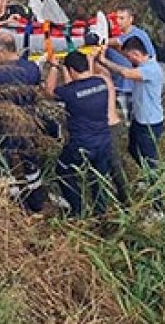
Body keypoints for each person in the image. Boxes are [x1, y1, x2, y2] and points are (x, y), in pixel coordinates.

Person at [45, 50, 118, 215]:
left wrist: (54, 67)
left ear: (71, 71)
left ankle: (77, 209)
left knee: (63, 171)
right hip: (104, 141)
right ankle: (100, 213)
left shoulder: (69, 92)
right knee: (97, 177)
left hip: (81, 144)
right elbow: (85, 84)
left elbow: (49, 91)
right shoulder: (101, 83)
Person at [0, 32, 48, 211]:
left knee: (2, 161)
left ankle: (15, 203)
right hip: (29, 122)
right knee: (30, 162)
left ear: (2, 51)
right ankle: (36, 201)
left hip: (4, 125)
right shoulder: (32, 68)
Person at [98, 36, 164, 184]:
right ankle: (148, 176)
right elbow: (127, 59)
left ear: (136, 54)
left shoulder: (151, 69)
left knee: (149, 159)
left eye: (129, 57)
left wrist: (104, 61)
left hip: (150, 123)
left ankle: (156, 196)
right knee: (133, 149)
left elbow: (125, 73)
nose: (128, 60)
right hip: (139, 119)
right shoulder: (142, 65)